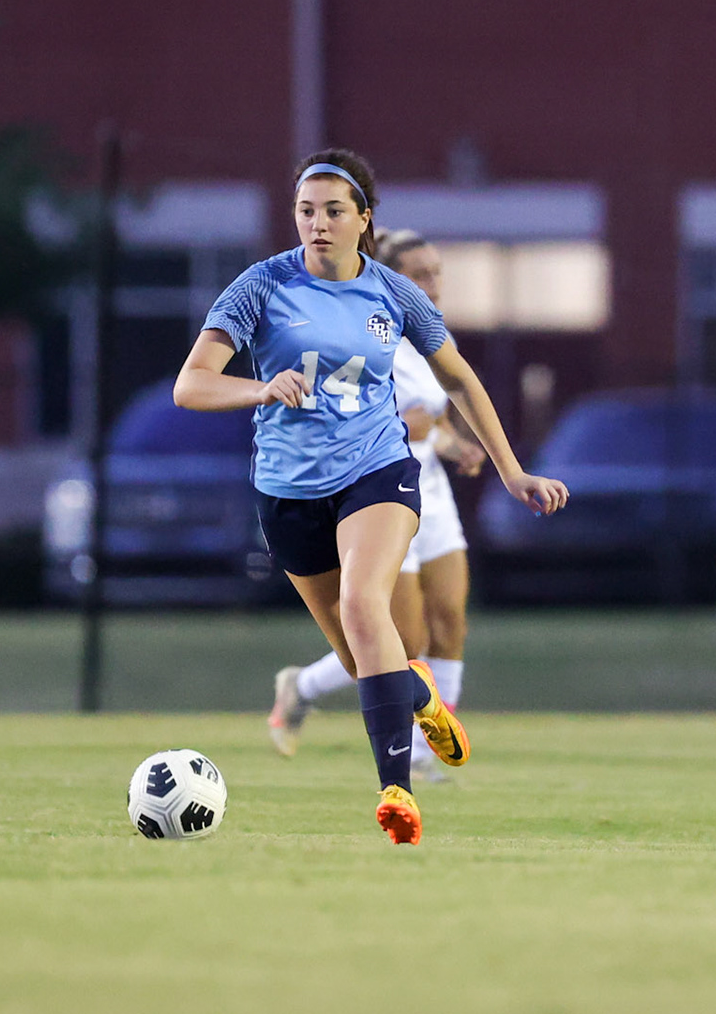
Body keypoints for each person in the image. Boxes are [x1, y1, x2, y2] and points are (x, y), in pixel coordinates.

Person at [174, 149, 567, 844]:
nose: (317, 224)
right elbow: (193, 384)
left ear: (365, 220)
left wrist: (513, 471)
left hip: (377, 472)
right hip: (288, 493)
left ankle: (397, 792)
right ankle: (418, 694)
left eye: (333, 210)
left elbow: (462, 383)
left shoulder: (392, 292)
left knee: (365, 605)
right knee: (364, 657)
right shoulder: (260, 287)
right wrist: (258, 387)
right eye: (305, 211)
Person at [267, 229, 485, 778]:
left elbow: (434, 412)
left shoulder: (430, 331)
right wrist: (400, 425)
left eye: (437, 272)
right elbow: (344, 406)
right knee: (401, 637)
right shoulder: (365, 331)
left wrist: (453, 442)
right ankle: (307, 689)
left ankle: (433, 745)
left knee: (451, 618)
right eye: (420, 274)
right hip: (378, 495)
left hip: (429, 489)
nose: (433, 284)